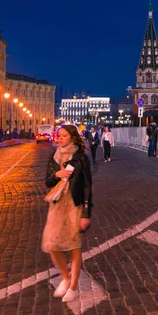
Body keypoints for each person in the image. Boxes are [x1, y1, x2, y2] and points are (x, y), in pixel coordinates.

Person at [42, 124, 92, 303]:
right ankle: (65, 276)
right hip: (56, 205)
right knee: (51, 244)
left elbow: (87, 186)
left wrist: (86, 213)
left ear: (72, 137)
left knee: (74, 246)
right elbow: (47, 182)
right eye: (59, 135)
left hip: (74, 205)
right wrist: (57, 174)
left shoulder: (81, 159)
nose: (60, 138)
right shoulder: (53, 157)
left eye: (64, 136)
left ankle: (73, 287)